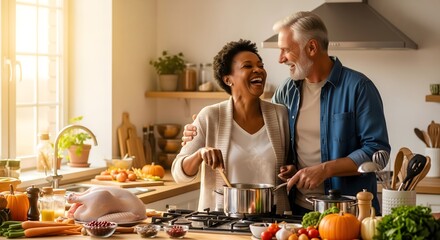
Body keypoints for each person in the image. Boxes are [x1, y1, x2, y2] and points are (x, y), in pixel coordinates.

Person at [182, 12, 390, 215]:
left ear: (311, 47)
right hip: (299, 210)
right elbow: (272, 135)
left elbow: (377, 152)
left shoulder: (359, 88)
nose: (280, 59)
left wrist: (325, 169)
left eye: (286, 50)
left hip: (348, 210)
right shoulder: (288, 90)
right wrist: (199, 128)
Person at [172, 39, 291, 214]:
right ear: (228, 79)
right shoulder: (210, 116)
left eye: (260, 65)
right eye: (247, 66)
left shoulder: (280, 115)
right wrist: (200, 153)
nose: (258, 70)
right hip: (222, 224)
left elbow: (293, 164)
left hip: (271, 224)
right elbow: (178, 173)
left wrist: (291, 170)